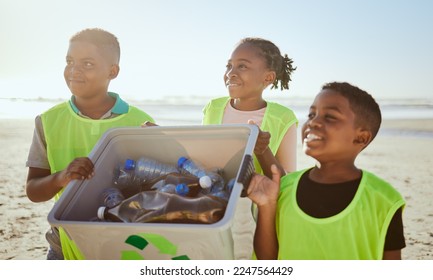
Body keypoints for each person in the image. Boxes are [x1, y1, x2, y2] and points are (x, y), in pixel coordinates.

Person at [25, 28, 154, 260]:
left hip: (124, 245)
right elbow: (33, 191)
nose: (74, 70)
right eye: (69, 61)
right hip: (63, 245)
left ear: (112, 71)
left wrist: (163, 146)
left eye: (87, 64)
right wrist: (62, 177)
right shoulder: (47, 121)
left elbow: (157, 188)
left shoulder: (140, 123)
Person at [248, 82, 406, 260]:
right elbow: (267, 262)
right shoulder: (283, 189)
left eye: (330, 117)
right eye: (311, 114)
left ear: (361, 137)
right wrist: (266, 206)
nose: (313, 122)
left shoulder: (384, 200)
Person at [201, 37, 298, 259]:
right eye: (229, 65)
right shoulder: (213, 108)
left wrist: (262, 150)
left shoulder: (283, 118)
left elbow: (286, 183)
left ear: (268, 77)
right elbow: (201, 159)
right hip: (212, 206)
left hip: (254, 215)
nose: (231, 72)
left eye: (242, 66)